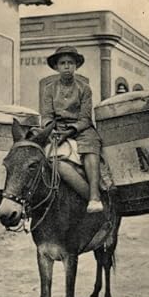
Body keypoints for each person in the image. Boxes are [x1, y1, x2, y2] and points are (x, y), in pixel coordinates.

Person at [41, 46, 104, 213]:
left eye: (70, 63)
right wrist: (51, 130)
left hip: (80, 129)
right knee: (40, 155)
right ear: (56, 67)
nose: (67, 67)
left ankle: (94, 196)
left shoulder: (84, 88)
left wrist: (69, 132)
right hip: (56, 128)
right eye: (62, 63)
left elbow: (85, 118)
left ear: (76, 66)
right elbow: (46, 116)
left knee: (91, 146)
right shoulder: (48, 89)